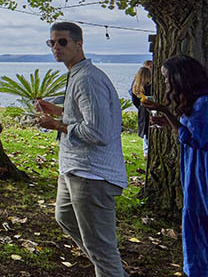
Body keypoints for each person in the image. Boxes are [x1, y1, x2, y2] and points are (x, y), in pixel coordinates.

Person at [36, 22, 128, 277]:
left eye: (62, 42)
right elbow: (84, 116)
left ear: (79, 44)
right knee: (64, 217)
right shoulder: (76, 74)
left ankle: (111, 271)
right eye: (52, 42)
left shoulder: (87, 79)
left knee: (101, 248)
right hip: (73, 169)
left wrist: (56, 124)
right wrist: (58, 111)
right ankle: (112, 271)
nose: (56, 47)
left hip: (91, 175)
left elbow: (97, 132)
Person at [142, 56, 208, 276]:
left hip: (202, 176)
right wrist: (168, 120)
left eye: (167, 78)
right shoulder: (197, 103)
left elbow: (198, 139)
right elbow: (188, 132)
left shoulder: (204, 103)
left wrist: (166, 111)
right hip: (194, 175)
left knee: (201, 224)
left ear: (181, 78)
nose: (166, 84)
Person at [129, 66, 152, 156]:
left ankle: (146, 152)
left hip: (142, 112)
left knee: (145, 134)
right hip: (150, 110)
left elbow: (134, 101)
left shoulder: (136, 88)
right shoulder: (151, 87)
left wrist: (140, 108)